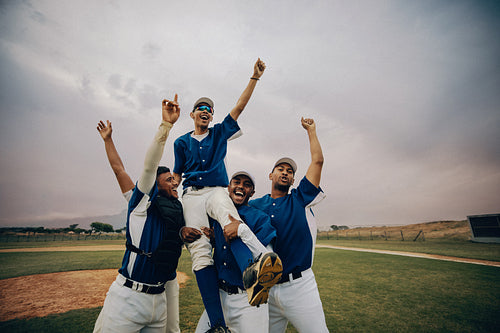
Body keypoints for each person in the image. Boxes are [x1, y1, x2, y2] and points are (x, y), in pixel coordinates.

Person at [173, 59, 282, 332]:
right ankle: (218, 324)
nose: (206, 112)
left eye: (210, 109)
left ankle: (257, 272)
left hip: (216, 190)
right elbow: (177, 174)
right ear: (192, 114)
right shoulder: (181, 142)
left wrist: (254, 78)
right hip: (191, 196)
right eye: (201, 108)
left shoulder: (219, 133)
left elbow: (239, 107)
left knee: (230, 223)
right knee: (199, 253)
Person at [96, 119, 201, 333]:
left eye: (174, 179)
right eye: (169, 179)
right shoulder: (140, 203)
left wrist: (184, 233)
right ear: (155, 184)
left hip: (159, 301)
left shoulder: (174, 210)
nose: (175, 183)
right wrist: (165, 126)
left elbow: (171, 235)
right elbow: (121, 170)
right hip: (128, 300)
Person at [249, 117, 329, 333]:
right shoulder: (255, 205)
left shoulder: (300, 198)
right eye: (280, 168)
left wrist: (311, 131)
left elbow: (318, 162)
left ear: (293, 180)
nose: (285, 172)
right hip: (267, 289)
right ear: (270, 174)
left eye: (290, 171)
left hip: (300, 287)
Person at [194, 171, 280, 333]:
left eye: (247, 185)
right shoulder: (216, 214)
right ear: (229, 187)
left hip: (248, 300)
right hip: (219, 297)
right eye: (237, 182)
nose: (241, 186)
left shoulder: (259, 218)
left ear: (252, 193)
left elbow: (268, 259)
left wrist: (242, 230)